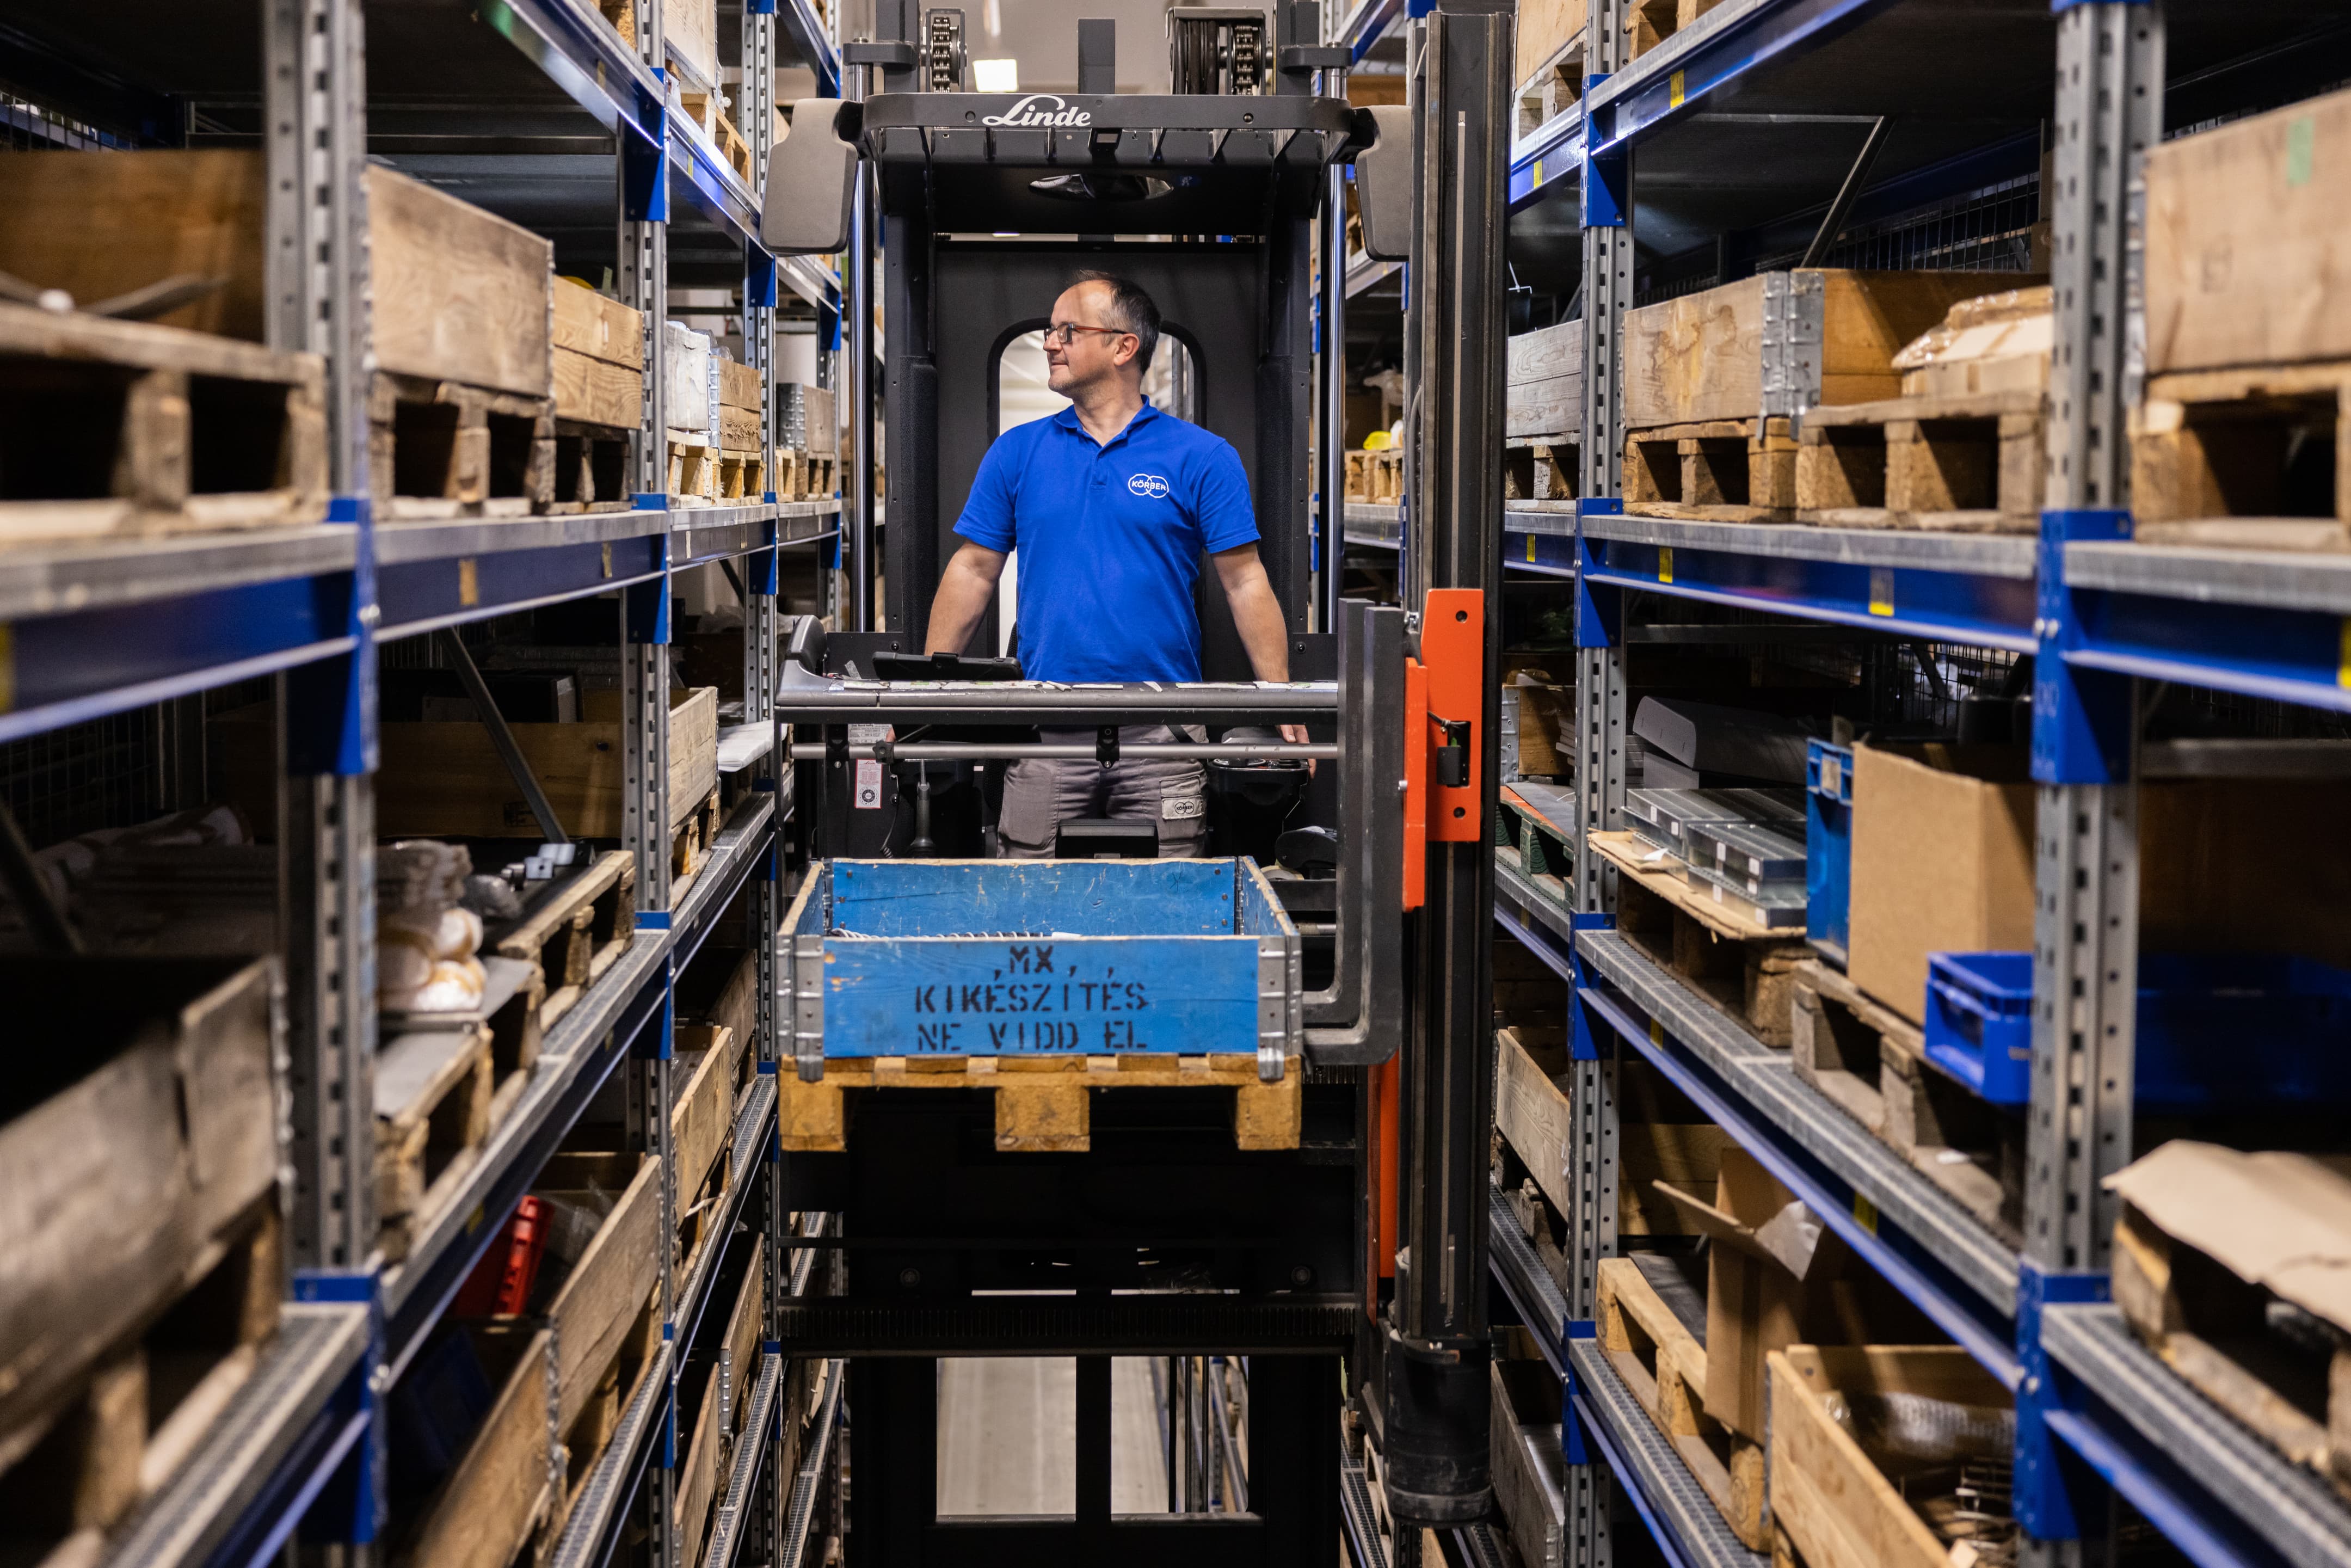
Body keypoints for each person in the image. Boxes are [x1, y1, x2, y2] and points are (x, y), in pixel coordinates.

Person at [923, 270, 1304, 858]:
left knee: (1167, 907)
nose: (1050, 342)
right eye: (1049, 331)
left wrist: (1281, 697)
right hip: (1049, 729)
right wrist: (922, 691)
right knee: (1031, 905)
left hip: (1164, 732)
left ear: (1125, 346)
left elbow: (1246, 580)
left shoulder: (1201, 457)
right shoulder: (1018, 453)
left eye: (1067, 330)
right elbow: (973, 570)